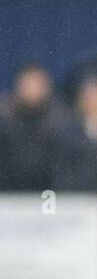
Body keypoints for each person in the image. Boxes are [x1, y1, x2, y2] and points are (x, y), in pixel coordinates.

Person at [0, 63, 68, 191]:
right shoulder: (4, 119)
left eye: (36, 84)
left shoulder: (61, 121)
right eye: (27, 84)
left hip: (51, 195)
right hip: (8, 194)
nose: (31, 89)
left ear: (47, 86)